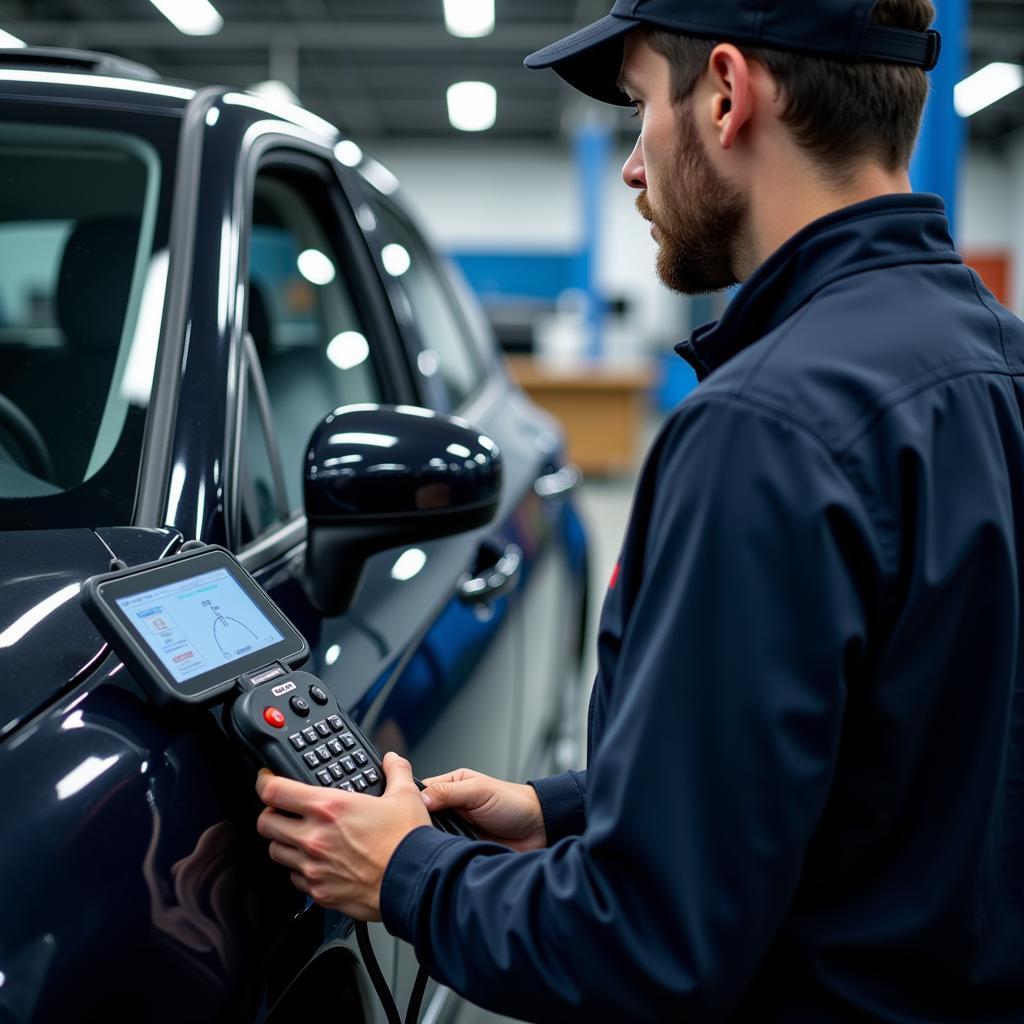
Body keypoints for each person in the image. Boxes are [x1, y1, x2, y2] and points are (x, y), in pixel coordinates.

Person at [255, 1, 1024, 1019]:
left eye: (636, 109)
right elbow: (895, 758)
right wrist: (565, 810)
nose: (630, 165)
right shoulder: (999, 364)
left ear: (723, 93)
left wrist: (407, 872)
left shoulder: (762, 431)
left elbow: (648, 947)